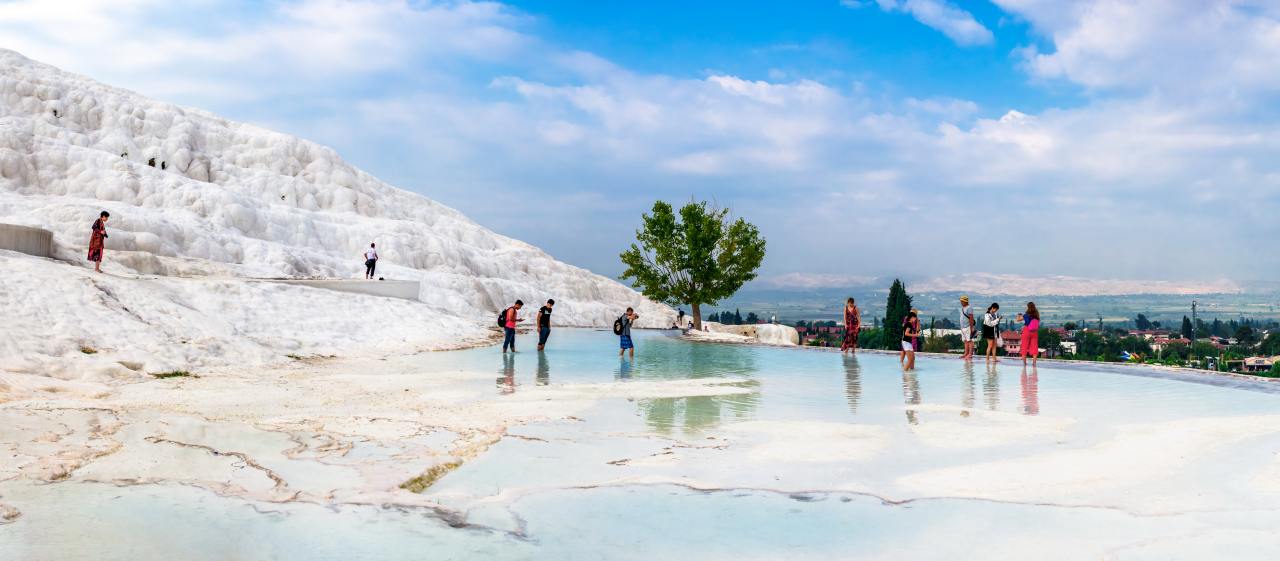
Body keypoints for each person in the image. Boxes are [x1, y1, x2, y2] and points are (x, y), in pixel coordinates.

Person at [959, 296, 976, 360]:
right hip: (963, 327)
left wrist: (971, 328)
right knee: (965, 341)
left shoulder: (969, 308)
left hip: (968, 327)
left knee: (969, 341)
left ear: (965, 301)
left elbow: (971, 318)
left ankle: (970, 354)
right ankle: (965, 353)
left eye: (962, 301)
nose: (961, 302)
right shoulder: (963, 308)